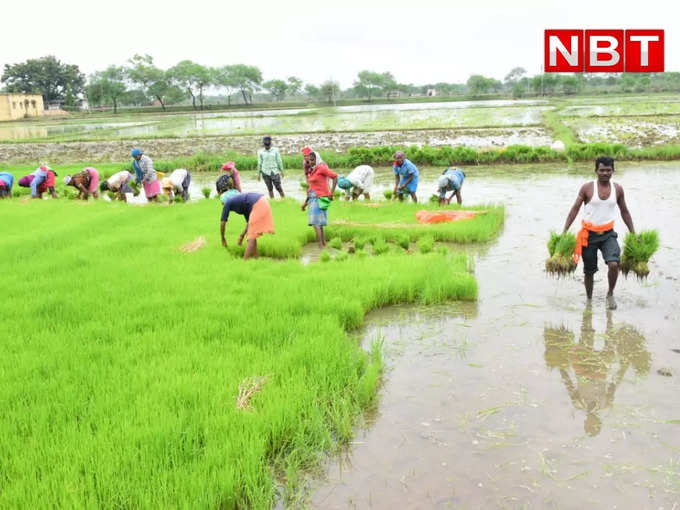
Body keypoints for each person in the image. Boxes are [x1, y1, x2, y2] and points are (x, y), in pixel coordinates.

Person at [562, 156, 635, 310]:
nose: (605, 173)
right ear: (596, 171)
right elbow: (574, 209)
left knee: (614, 264)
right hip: (589, 236)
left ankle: (610, 294)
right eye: (602, 170)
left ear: (613, 171)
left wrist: (633, 233)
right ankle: (589, 299)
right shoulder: (587, 188)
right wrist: (564, 231)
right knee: (589, 271)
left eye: (608, 170)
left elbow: (625, 211)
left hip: (608, 234)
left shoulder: (618, 189)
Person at [220, 192, 275, 259]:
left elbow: (223, 222)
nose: (222, 205)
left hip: (258, 204)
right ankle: (256, 258)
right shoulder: (241, 202)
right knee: (252, 234)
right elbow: (249, 223)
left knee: (251, 237)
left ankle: (244, 262)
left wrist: (223, 238)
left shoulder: (227, 203)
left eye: (222, 203)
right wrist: (242, 236)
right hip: (263, 202)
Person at [302, 151, 338, 248]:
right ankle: (323, 244)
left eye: (313, 160)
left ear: (317, 159)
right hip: (312, 199)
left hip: (319, 198)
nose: (311, 162)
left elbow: (335, 177)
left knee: (316, 223)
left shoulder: (321, 168)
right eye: (310, 160)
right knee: (319, 223)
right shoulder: (312, 170)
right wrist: (305, 203)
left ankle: (320, 246)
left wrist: (331, 192)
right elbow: (311, 188)